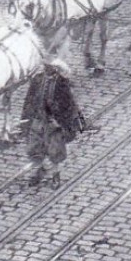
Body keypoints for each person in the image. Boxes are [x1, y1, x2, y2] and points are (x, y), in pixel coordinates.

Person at [20, 57, 85, 188]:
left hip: (53, 123)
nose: (47, 69)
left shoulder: (61, 84)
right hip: (38, 119)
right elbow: (29, 99)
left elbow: (68, 105)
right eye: (46, 66)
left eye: (50, 67)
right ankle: (42, 170)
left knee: (54, 151)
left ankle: (55, 175)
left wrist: (64, 124)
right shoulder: (37, 79)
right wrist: (25, 118)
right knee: (34, 148)